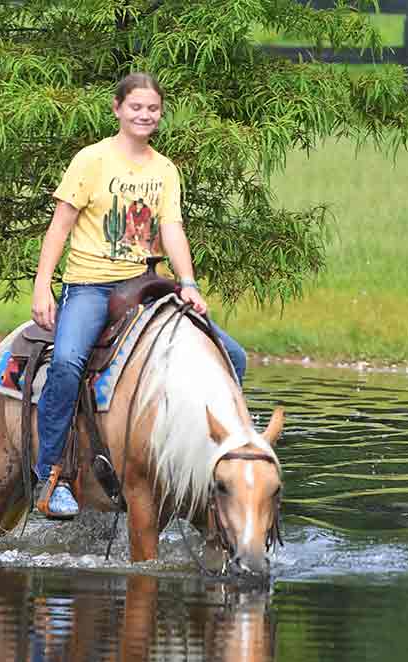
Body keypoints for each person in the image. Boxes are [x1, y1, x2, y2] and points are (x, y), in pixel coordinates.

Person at [31, 72, 247, 518]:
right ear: (117, 109)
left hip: (145, 284)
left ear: (160, 113)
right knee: (69, 362)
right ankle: (50, 473)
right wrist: (43, 286)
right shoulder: (91, 160)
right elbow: (60, 227)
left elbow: (172, 229)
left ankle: (210, 465)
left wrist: (188, 284)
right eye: (136, 107)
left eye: (152, 109)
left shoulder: (165, 169)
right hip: (91, 284)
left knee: (234, 356)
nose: (144, 115)